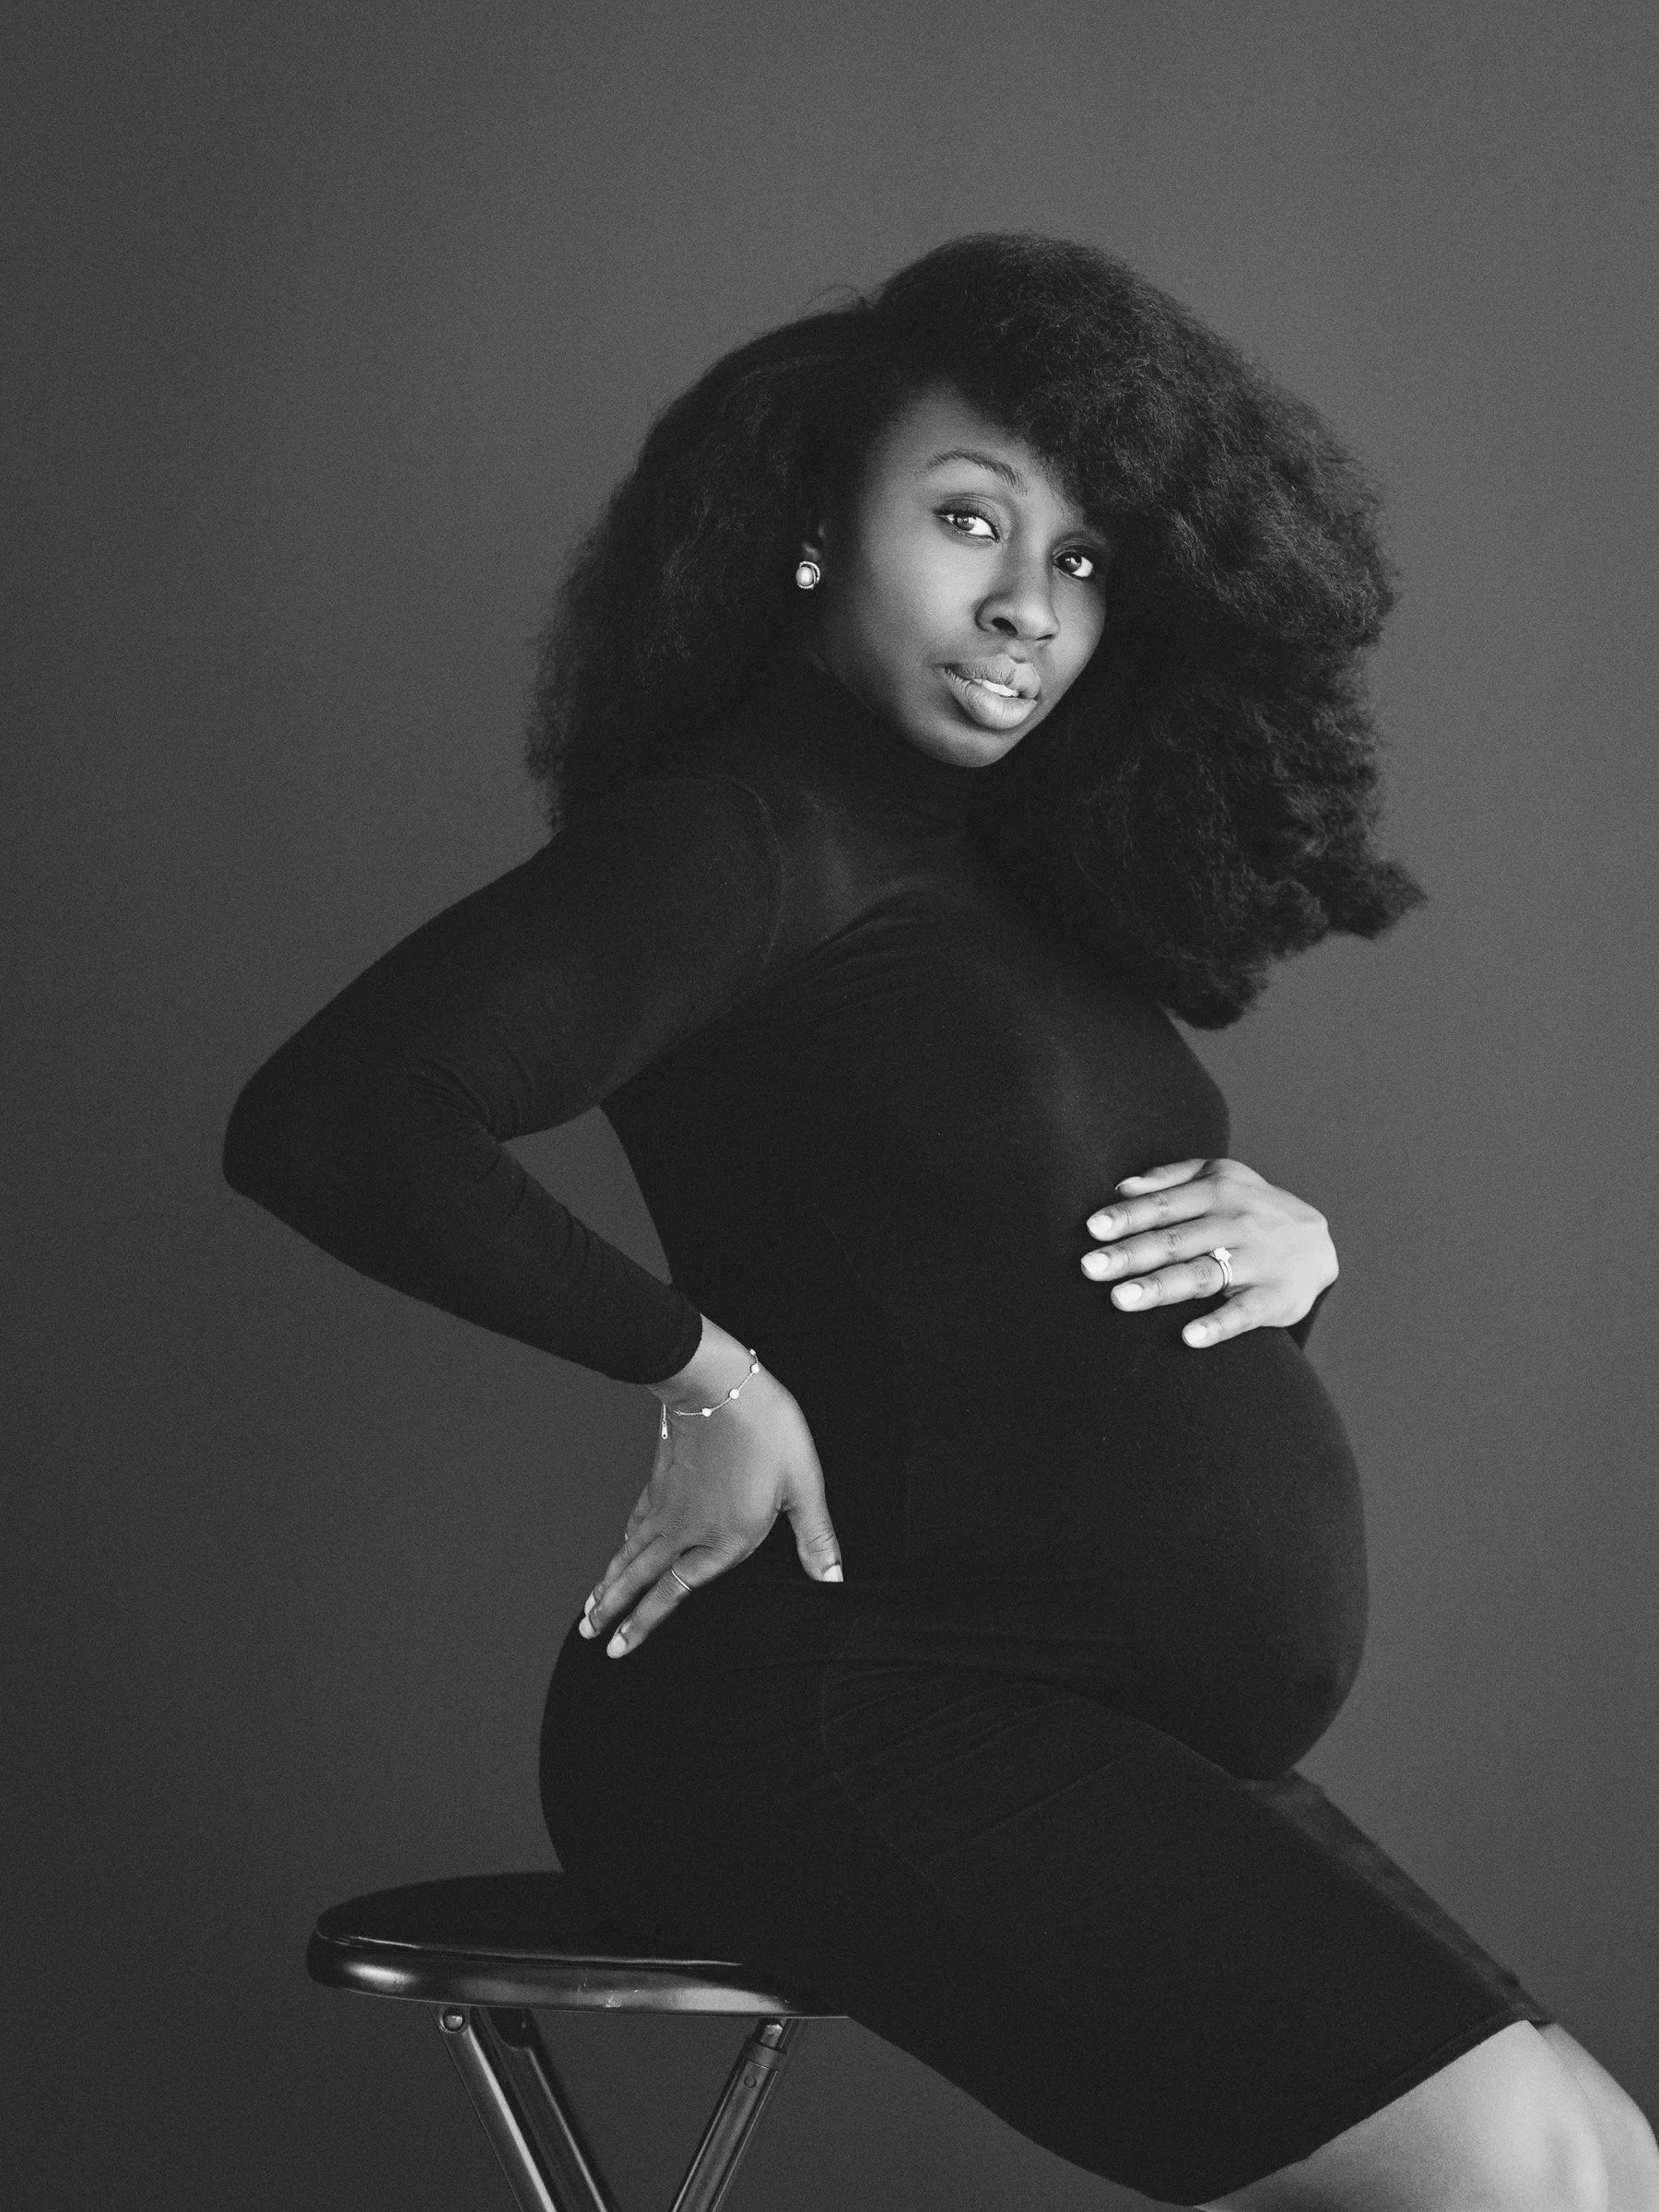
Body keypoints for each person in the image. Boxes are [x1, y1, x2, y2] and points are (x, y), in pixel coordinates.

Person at [223, 235, 1657, 2207]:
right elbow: (334, 1116)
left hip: (1037, 1707)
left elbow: (991, 1283)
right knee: (1499, 2175)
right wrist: (694, 1369)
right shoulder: (744, 834)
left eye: (1081, 561)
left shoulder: (995, 867)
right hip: (835, 1716)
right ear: (815, 531)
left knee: (1597, 2159)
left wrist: (1290, 1260)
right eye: (969, 521)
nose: (1024, 611)